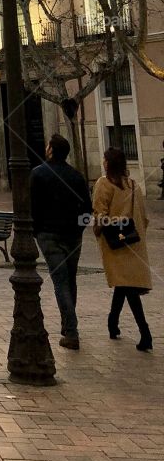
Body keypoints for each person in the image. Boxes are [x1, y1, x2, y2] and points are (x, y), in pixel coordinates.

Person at [30, 133, 92, 349]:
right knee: (70, 279)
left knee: (60, 281)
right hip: (72, 235)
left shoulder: (38, 174)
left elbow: (32, 207)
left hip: (48, 235)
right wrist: (78, 228)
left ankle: (72, 332)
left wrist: (36, 231)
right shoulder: (77, 176)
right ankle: (68, 328)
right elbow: (87, 210)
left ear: (50, 150)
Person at [93, 146, 153, 351]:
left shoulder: (104, 184)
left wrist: (97, 229)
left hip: (114, 243)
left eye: (104, 159)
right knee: (124, 282)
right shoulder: (133, 185)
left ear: (108, 163)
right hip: (132, 241)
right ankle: (113, 323)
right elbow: (143, 217)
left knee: (126, 286)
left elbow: (99, 214)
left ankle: (145, 332)